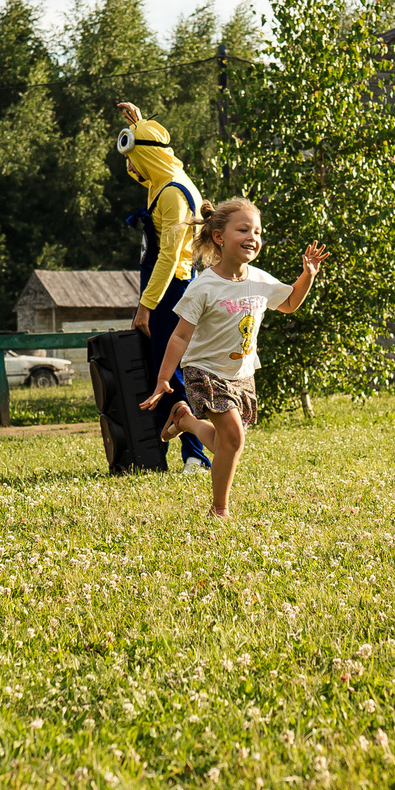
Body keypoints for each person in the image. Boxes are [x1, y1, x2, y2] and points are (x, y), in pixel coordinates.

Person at [137, 198, 324, 519]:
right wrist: (164, 378)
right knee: (234, 440)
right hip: (205, 371)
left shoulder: (260, 280)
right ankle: (219, 509)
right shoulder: (203, 287)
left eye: (257, 231)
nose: (253, 236)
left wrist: (307, 275)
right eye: (243, 229)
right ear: (219, 237)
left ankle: (185, 421)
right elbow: (180, 336)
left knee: (226, 442)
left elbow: (290, 303)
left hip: (242, 373)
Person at [114, 101, 209, 471]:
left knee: (173, 374)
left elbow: (168, 258)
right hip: (166, 291)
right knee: (163, 371)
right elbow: (147, 162)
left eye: (133, 156)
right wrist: (141, 126)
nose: (130, 168)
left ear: (147, 156)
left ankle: (197, 457)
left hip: (171, 293)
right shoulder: (163, 180)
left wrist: (145, 305)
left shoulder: (171, 192)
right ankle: (160, 452)